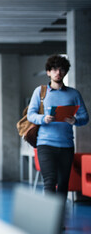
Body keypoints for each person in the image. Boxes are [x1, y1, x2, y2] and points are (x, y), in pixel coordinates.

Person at [27, 55, 89, 201]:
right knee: (50, 181)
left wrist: (75, 120)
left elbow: (85, 118)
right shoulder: (40, 92)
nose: (58, 72)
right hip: (45, 145)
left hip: (66, 145)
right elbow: (31, 115)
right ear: (48, 72)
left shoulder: (74, 94)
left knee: (63, 184)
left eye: (61, 69)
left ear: (65, 72)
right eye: (54, 69)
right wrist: (43, 118)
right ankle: (50, 222)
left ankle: (59, 220)